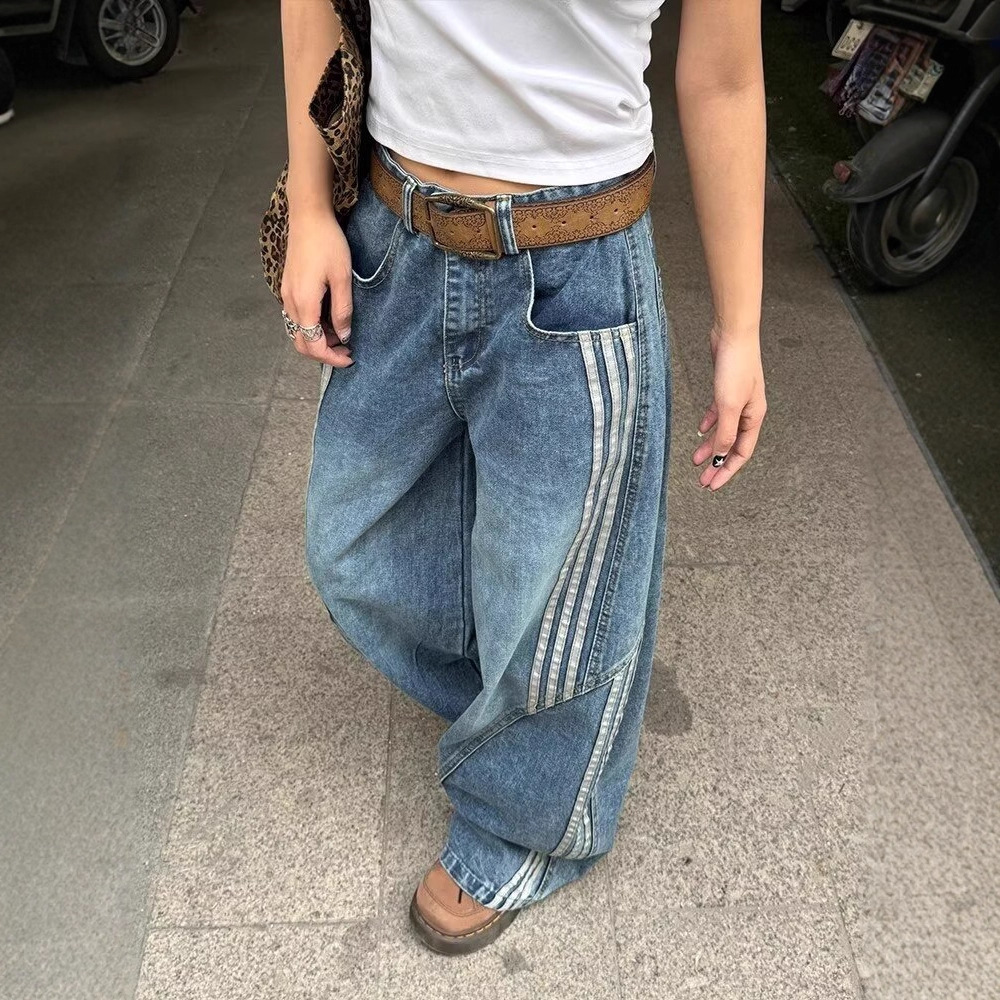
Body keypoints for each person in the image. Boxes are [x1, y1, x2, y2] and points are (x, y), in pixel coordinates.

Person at [279, 0, 767, 955]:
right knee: (351, 546)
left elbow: (725, 77)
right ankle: (526, 702)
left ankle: (522, 822)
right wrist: (309, 206)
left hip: (578, 257)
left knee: (564, 580)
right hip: (396, 235)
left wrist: (740, 327)